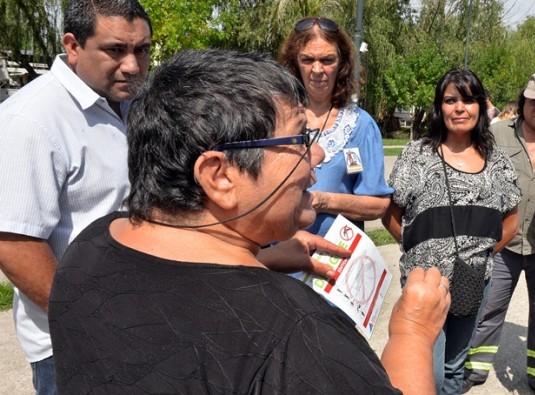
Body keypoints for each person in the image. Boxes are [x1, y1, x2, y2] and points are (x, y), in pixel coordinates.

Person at [48, 49, 450, 394]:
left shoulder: (91, 246)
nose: (317, 159)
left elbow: (176, 299)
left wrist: (266, 258)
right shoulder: (299, 335)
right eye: (299, 142)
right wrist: (413, 335)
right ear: (219, 175)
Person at [0, 1, 151, 392]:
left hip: (144, 326)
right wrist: (90, 323)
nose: (133, 65)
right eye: (115, 50)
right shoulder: (31, 120)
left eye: (142, 50)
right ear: (72, 46)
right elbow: (14, 244)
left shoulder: (134, 106)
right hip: (75, 345)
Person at [383, 69, 521, 394]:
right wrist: (414, 251)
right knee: (426, 365)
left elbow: (512, 220)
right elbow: (393, 214)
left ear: (481, 106)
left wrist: (483, 253)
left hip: (474, 279)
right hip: (423, 282)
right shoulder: (417, 156)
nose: (460, 108)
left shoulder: (497, 162)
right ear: (439, 107)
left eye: (469, 99)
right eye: (450, 100)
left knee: (454, 367)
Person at [463, 72, 535, 395]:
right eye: (534, 101)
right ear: (523, 102)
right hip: (502, 243)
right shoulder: (496, 134)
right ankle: (474, 369)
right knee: (487, 307)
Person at [279, 16, 392, 235]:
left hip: (337, 263)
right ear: (294, 63)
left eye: (327, 60)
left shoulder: (360, 126)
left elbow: (378, 205)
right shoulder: (273, 119)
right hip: (279, 262)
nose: (317, 69)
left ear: (342, 63)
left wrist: (323, 201)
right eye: (308, 59)